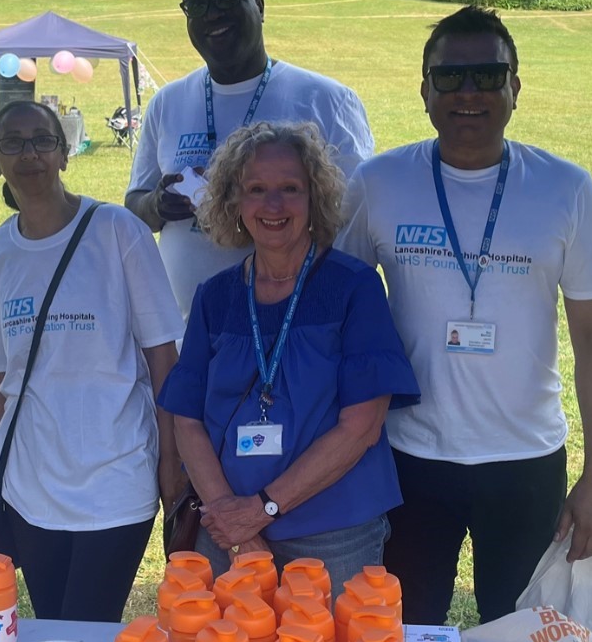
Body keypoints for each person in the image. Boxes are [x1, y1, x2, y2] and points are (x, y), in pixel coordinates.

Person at [338, 6, 592, 624]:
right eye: (449, 77)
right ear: (423, 90)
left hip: (524, 460)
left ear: (515, 89)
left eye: (488, 76)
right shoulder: (378, 183)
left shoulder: (566, 190)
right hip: (409, 457)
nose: (469, 93)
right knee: (405, 640)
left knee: (522, 638)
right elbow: (337, 314)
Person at [159, 121, 419, 597]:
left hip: (334, 534)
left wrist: (263, 509)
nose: (273, 205)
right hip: (229, 533)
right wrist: (230, 517)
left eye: (290, 189)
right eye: (256, 189)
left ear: (313, 199)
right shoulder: (214, 298)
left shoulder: (353, 288)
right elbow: (186, 420)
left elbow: (362, 426)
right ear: (234, 202)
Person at [0, 100, 183, 621]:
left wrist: (172, 462)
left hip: (116, 478)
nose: (29, 153)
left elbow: (163, 356)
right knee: (53, 625)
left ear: (65, 153)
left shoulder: (118, 231)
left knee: (87, 626)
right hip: (30, 487)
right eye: (12, 142)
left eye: (43, 140)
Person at [126, 0, 374, 318]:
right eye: (197, 5)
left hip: (293, 327)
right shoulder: (167, 101)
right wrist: (156, 204)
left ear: (259, 5)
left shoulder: (327, 99)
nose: (212, 14)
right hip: (187, 331)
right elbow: (135, 204)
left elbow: (354, 220)